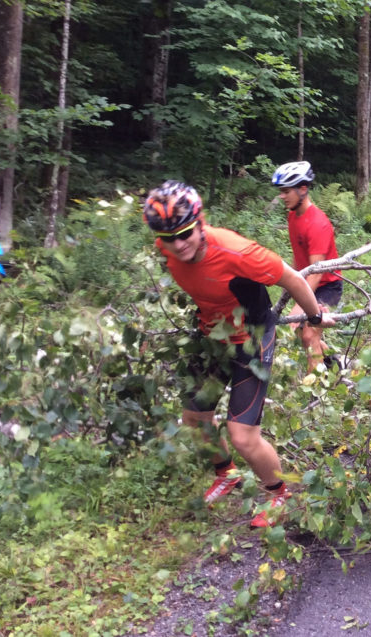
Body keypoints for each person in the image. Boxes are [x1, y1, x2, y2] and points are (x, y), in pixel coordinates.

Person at [143, 180, 333, 528]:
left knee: (242, 436)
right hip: (211, 338)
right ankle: (225, 474)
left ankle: (279, 496)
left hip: (251, 338)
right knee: (194, 420)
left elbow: (291, 279)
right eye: (168, 238)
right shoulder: (166, 246)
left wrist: (315, 317)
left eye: (185, 234)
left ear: (199, 223)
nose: (178, 244)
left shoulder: (238, 252)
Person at [271, 161, 343, 372]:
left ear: (303, 189)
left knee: (310, 335)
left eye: (286, 191)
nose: (282, 196)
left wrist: (298, 305)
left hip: (326, 286)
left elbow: (316, 272)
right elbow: (299, 258)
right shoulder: (293, 215)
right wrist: (289, 283)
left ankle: (318, 396)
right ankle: (335, 364)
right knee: (302, 335)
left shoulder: (318, 223)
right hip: (305, 281)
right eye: (281, 191)